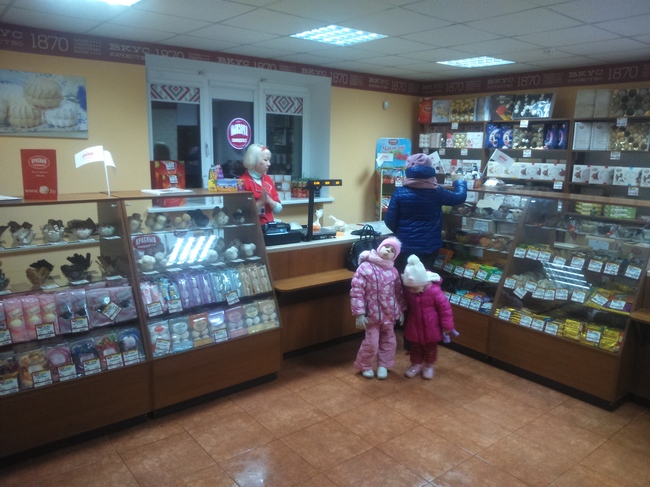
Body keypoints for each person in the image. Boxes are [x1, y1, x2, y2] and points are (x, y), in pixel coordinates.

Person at [384, 152, 467, 273]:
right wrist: (459, 182)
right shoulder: (437, 191)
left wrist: (403, 232)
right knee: (424, 278)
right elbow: (459, 197)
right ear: (430, 170)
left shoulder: (399, 192)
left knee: (405, 277)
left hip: (405, 245)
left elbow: (389, 221)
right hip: (429, 246)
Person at [351, 237, 406, 379]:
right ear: (380, 247)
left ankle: (384, 365)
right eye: (386, 246)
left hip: (389, 314)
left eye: (392, 250)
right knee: (371, 342)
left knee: (389, 341)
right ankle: (365, 365)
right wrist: (359, 313)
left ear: (395, 256)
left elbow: (398, 292)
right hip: (371, 315)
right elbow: (357, 291)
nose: (388, 250)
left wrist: (400, 310)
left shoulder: (393, 271)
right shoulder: (365, 267)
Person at [401, 254, 456, 379]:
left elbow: (445, 309)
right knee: (415, 347)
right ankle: (415, 365)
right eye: (410, 288)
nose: (412, 291)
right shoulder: (409, 291)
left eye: (415, 288)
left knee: (430, 348)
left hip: (432, 326)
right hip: (414, 325)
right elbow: (405, 304)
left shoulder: (435, 292)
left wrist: (447, 325)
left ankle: (428, 365)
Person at [238, 143, 282, 225]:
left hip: (269, 227)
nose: (269, 164)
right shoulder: (242, 182)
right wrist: (260, 202)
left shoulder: (268, 179)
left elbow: (278, 209)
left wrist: (269, 201)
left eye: (269, 160)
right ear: (254, 161)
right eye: (265, 160)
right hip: (252, 228)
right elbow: (241, 213)